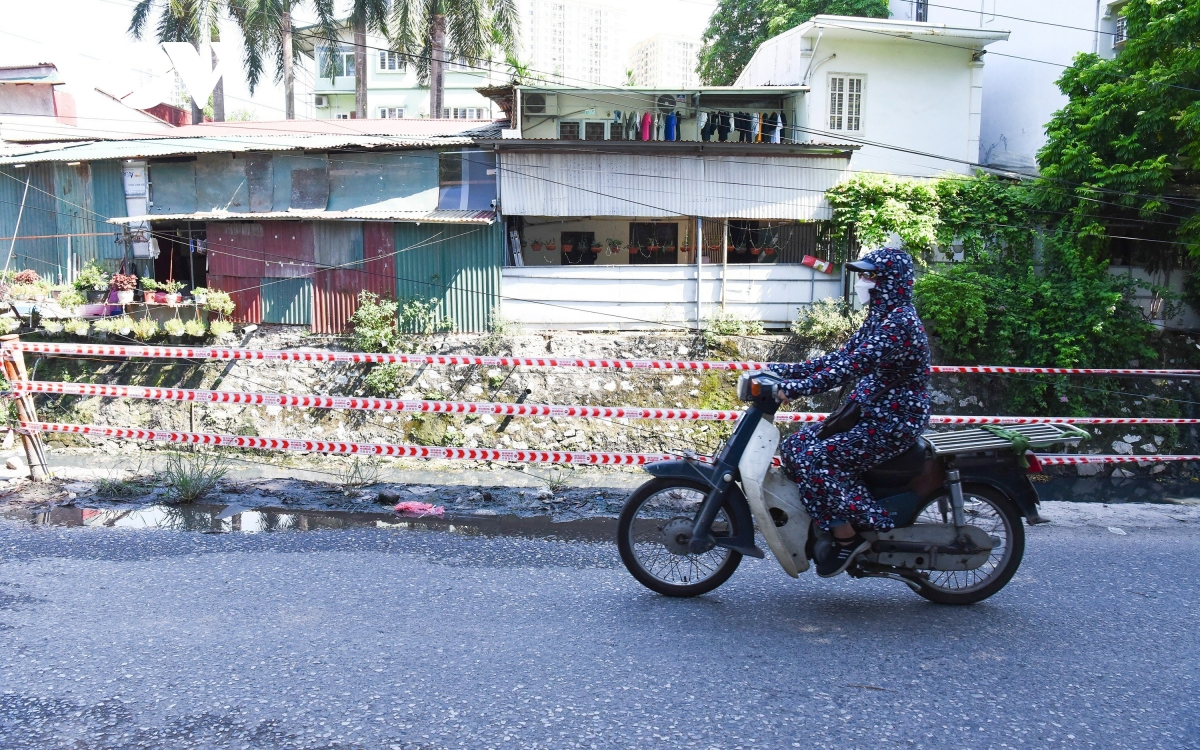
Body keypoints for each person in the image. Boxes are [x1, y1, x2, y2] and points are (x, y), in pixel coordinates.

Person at [767, 247, 932, 577]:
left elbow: (850, 368)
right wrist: (782, 370)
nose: (862, 282)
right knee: (794, 448)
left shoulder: (899, 325)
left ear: (889, 282)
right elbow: (838, 359)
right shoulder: (880, 318)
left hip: (892, 421)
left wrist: (795, 389)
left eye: (869, 276)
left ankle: (850, 535)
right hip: (869, 414)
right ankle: (833, 520)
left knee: (816, 459)